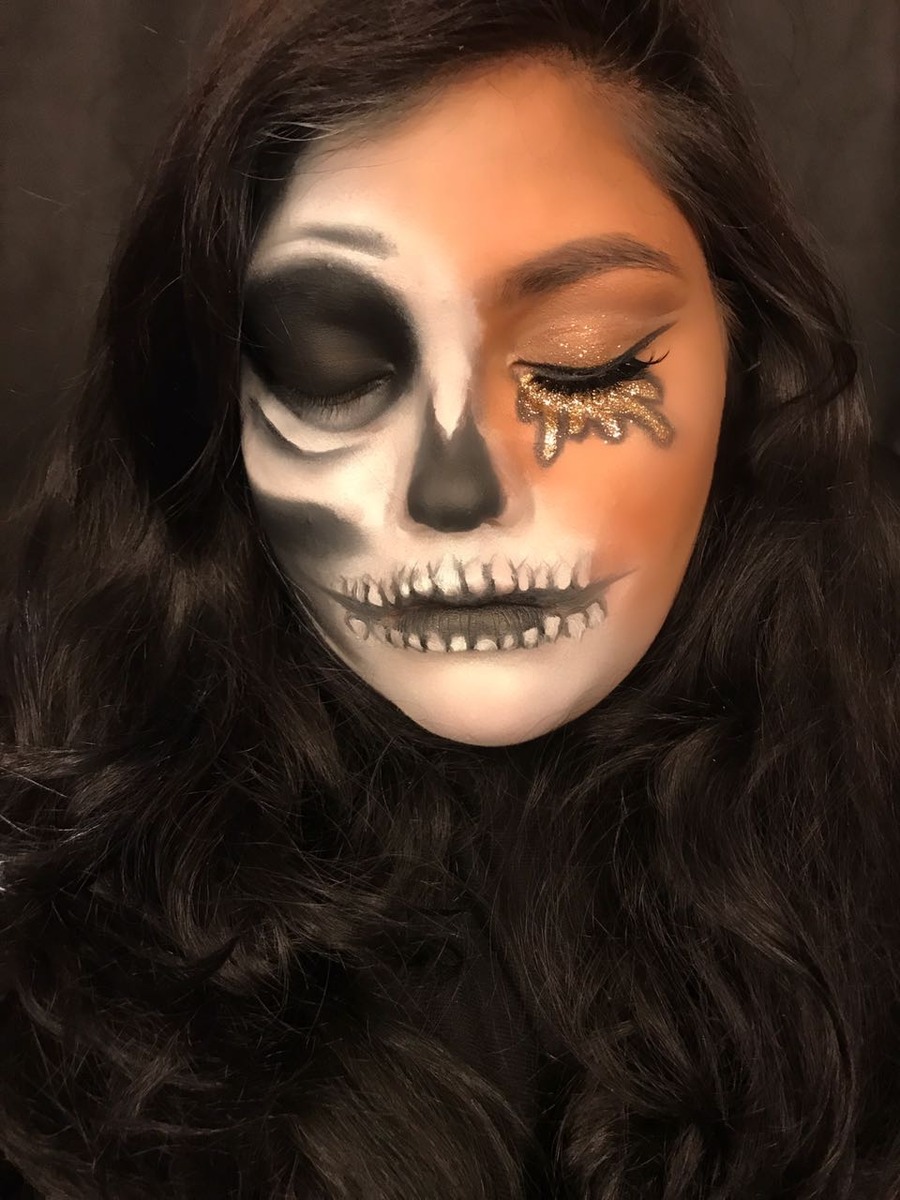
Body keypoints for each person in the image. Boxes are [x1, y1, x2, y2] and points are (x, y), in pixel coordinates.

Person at [1, 0, 898, 1196]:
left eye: (584, 362)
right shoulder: (61, 907)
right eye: (330, 374)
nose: (454, 490)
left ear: (746, 360)